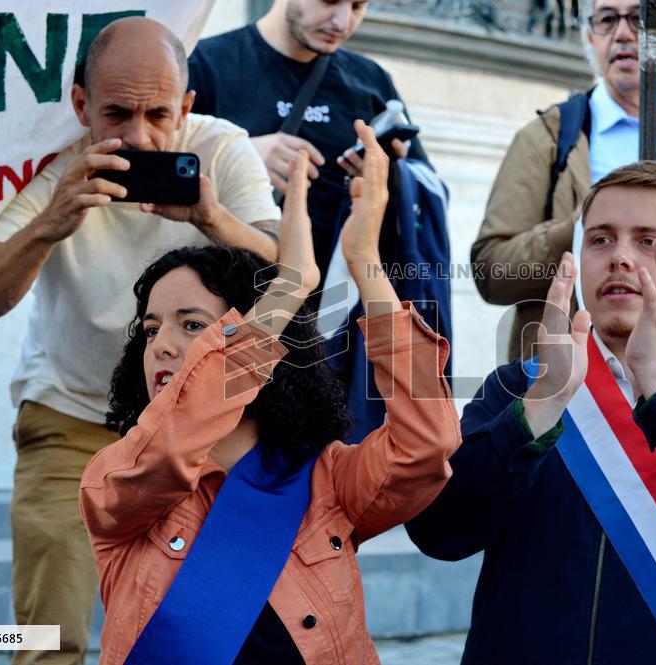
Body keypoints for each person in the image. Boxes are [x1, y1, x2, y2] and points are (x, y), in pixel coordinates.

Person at [0, 18, 281, 665]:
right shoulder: (51, 168)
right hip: (69, 414)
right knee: (47, 640)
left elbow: (290, 282)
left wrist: (211, 218)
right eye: (116, 113)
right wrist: (51, 222)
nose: (137, 136)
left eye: (158, 114)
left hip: (193, 426)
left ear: (186, 106)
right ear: (81, 107)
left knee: (194, 636)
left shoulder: (220, 151)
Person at [79, 121, 459, 664]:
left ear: (267, 341)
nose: (161, 344)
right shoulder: (114, 479)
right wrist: (290, 285)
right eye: (150, 328)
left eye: (191, 324)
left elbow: (427, 447)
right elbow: (170, 444)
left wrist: (367, 267)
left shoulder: (329, 481)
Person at [407, 161, 656, 664]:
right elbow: (438, 533)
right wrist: (535, 412)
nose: (619, 258)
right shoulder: (517, 387)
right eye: (600, 240)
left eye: (648, 241)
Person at [472, 0, 656, 360]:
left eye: (642, 19)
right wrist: (574, 231)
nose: (623, 34)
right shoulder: (547, 139)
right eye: (607, 19)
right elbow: (491, 272)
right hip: (575, 391)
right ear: (591, 37)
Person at [186, 0, 429, 277]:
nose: (342, 21)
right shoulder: (205, 63)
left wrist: (388, 173)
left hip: (339, 297)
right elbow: (160, 173)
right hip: (236, 291)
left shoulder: (372, 80)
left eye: (358, 7)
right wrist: (238, 156)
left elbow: (425, 190)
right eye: (330, 1)